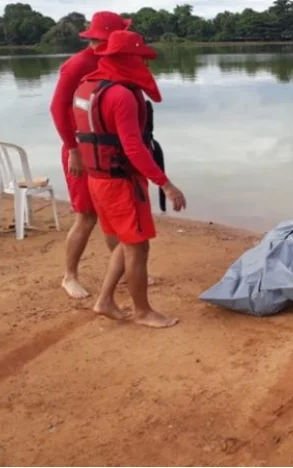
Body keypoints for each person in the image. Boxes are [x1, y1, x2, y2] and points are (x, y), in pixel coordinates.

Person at [72, 30, 186, 328]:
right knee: (137, 247)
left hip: (98, 180)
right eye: (141, 59)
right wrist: (166, 184)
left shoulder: (87, 86)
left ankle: (105, 300)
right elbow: (134, 149)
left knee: (125, 243)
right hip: (121, 184)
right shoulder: (121, 95)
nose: (145, 66)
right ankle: (143, 312)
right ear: (125, 58)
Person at [50, 11, 154, 300]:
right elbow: (58, 110)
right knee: (86, 216)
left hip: (109, 154)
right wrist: (72, 149)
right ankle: (69, 275)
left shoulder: (115, 64)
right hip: (81, 151)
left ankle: (124, 267)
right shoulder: (78, 65)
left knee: (114, 214)